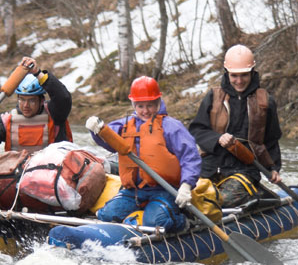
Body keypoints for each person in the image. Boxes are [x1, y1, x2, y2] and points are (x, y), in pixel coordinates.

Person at [86, 76, 201, 232]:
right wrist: (95, 130)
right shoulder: (125, 125)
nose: (145, 111)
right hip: (134, 191)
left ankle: (185, 220)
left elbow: (190, 158)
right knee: (107, 215)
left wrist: (186, 185)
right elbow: (108, 140)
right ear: (134, 105)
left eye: (150, 105)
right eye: (140, 106)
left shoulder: (172, 127)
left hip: (165, 190)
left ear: (158, 102)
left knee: (156, 222)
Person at [189, 44, 282, 208]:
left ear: (252, 73)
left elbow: (271, 138)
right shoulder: (213, 96)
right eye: (234, 76)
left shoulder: (266, 101)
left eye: (244, 75)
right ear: (227, 73)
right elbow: (197, 130)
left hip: (246, 170)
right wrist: (218, 139)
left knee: (217, 202)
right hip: (210, 168)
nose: (239, 81)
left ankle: (250, 195)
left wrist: (273, 168)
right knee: (190, 200)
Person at [0, 56, 72, 152]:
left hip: (51, 165)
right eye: (22, 100)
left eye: (31, 100)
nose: (25, 105)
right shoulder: (7, 121)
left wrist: (38, 73)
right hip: (20, 166)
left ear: (41, 101)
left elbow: (63, 97)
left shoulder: (55, 114)